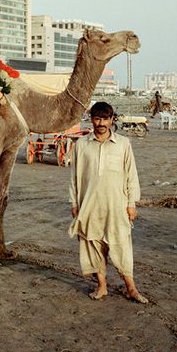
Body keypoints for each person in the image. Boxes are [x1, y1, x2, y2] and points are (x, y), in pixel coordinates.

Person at [68, 101, 147, 304]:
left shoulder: (123, 144)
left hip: (117, 206)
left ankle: (131, 288)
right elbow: (74, 177)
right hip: (89, 205)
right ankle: (102, 286)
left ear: (112, 120)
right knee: (93, 245)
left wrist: (131, 203)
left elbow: (131, 175)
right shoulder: (81, 145)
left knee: (121, 246)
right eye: (97, 119)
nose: (101, 123)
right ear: (91, 120)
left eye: (105, 119)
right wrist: (74, 203)